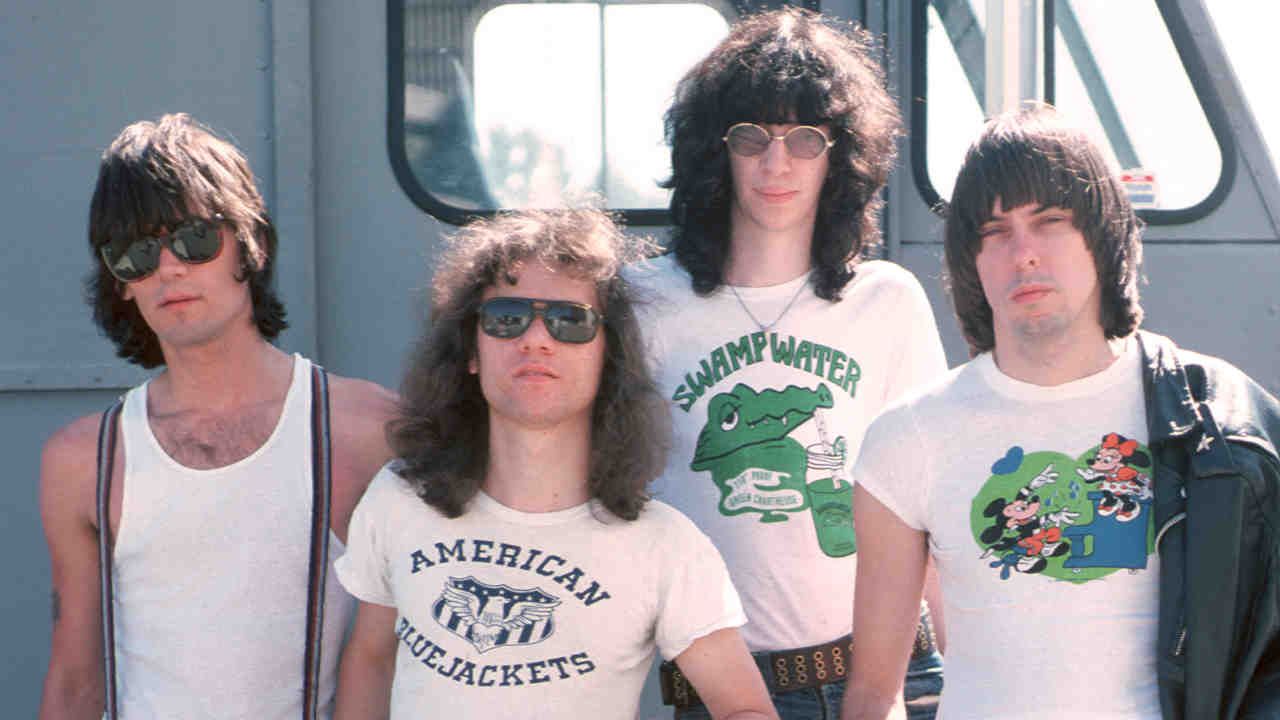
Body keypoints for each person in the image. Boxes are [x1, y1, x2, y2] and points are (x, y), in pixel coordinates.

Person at [843, 105, 1280, 719]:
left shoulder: (1216, 420)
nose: (1023, 253)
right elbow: (873, 692)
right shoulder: (906, 438)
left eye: (1050, 221)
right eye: (995, 231)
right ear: (971, 260)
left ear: (1102, 236)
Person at [626, 8, 947, 719]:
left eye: (806, 139)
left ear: (840, 155)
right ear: (716, 152)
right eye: (752, 137)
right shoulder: (643, 303)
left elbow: (930, 513)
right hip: (724, 692)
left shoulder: (887, 302)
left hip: (891, 681)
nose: (777, 165)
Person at [331, 208, 777, 720]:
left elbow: (746, 709)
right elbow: (372, 659)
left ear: (607, 357)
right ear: (471, 351)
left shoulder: (665, 545)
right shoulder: (398, 500)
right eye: (506, 318)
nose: (536, 339)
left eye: (571, 321)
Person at [38, 113, 397, 719]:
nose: (169, 268)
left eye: (194, 239)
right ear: (119, 283)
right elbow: (76, 679)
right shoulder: (83, 462)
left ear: (250, 242)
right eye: (135, 253)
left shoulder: (364, 429)